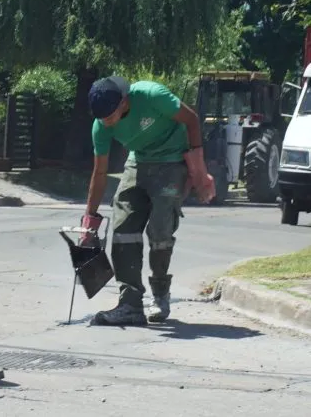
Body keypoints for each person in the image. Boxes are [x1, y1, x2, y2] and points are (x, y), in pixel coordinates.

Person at [80, 76, 216, 327]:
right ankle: (130, 304)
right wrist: (90, 219)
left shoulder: (153, 96)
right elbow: (99, 173)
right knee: (123, 227)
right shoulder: (101, 126)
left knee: (160, 229)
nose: (107, 122)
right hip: (139, 161)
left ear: (124, 102)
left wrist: (198, 168)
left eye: (110, 116)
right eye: (102, 118)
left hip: (173, 159)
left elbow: (192, 120)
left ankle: (160, 290)